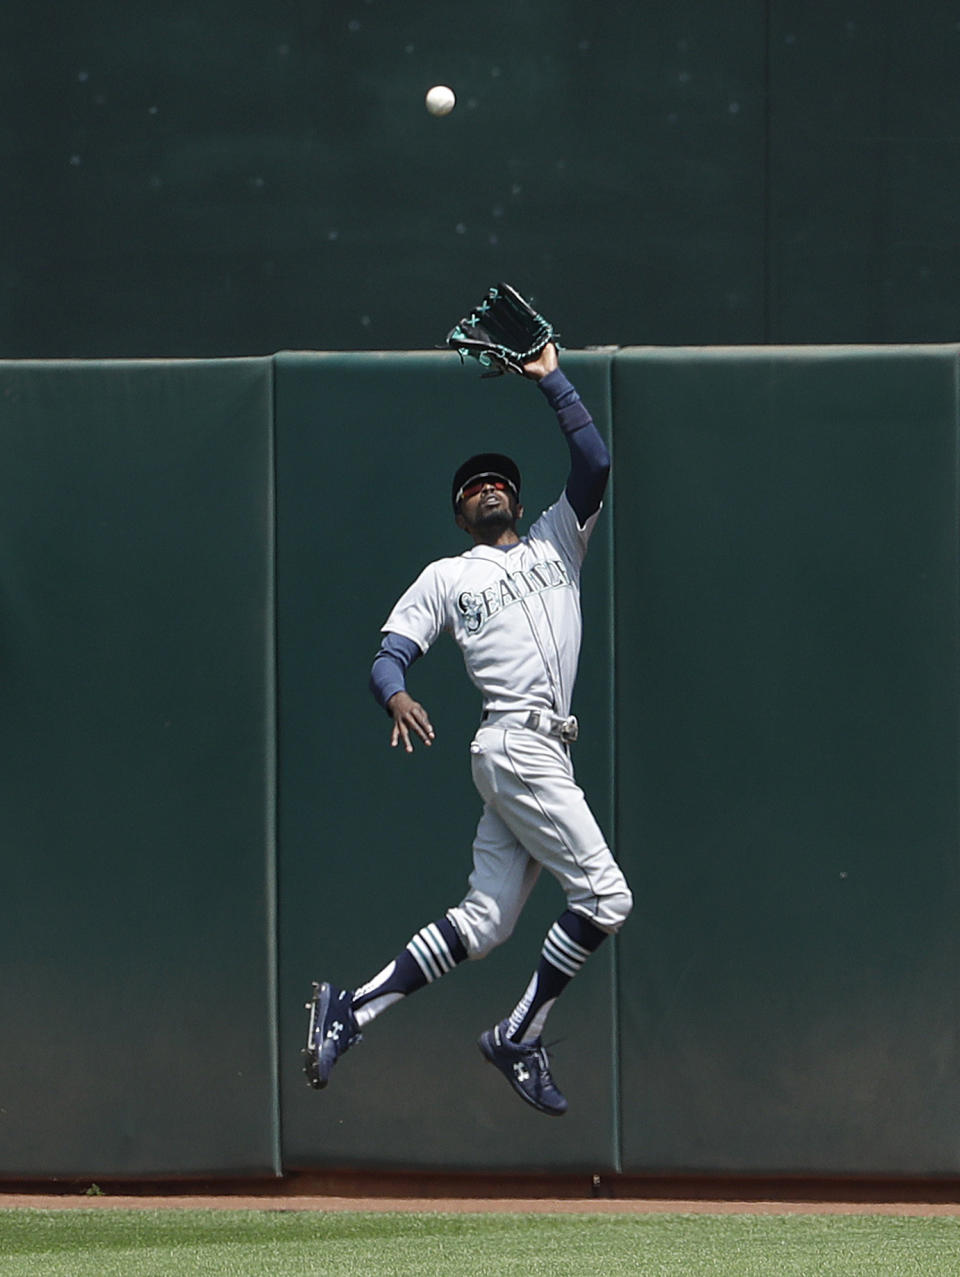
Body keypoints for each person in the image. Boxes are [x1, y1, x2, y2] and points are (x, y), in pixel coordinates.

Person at [303, 342, 632, 1116]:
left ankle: (350, 1009)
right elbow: (390, 654)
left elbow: (594, 456)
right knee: (607, 897)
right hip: (516, 741)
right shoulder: (447, 575)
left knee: (483, 923)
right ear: (460, 513)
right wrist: (396, 695)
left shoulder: (560, 537)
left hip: (543, 749)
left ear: (516, 502)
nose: (487, 489)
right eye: (472, 487)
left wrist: (551, 375)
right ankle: (518, 1032)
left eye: (498, 482)